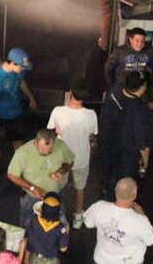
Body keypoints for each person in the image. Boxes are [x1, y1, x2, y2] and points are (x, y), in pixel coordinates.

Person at [46, 84, 98, 228]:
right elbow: (92, 135)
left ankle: (58, 215)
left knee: (57, 188)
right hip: (81, 158)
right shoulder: (91, 114)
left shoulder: (58, 111)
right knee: (80, 188)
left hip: (61, 159)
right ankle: (78, 217)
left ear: (70, 94)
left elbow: (51, 131)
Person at [99, 71, 153, 198]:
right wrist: (145, 158)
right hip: (127, 155)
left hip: (109, 148)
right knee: (122, 185)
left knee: (109, 178)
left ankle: (106, 194)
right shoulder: (138, 109)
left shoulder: (114, 93)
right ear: (142, 89)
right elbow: (140, 137)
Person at [0, 48, 38, 177]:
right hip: (0, 116)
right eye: (22, 67)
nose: (24, 70)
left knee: (18, 140)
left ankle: (19, 168)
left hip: (16, 112)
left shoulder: (19, 71)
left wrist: (31, 98)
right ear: (12, 63)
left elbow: (21, 82)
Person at [7, 129, 75, 227]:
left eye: (50, 151)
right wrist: (32, 188)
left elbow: (70, 161)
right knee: (27, 223)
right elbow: (11, 175)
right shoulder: (22, 153)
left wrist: (62, 171)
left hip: (55, 194)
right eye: (42, 150)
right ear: (36, 142)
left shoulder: (61, 145)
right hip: (31, 196)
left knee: (59, 224)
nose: (46, 153)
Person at [84, 177, 153, 264]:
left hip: (101, 260)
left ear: (115, 191)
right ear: (134, 194)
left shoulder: (99, 207)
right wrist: (142, 214)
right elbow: (151, 240)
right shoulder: (140, 221)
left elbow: (88, 223)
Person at [104, 27, 153, 92]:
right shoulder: (119, 51)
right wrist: (111, 85)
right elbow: (108, 69)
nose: (140, 44)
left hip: (141, 88)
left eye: (143, 41)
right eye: (137, 40)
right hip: (122, 88)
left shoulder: (150, 51)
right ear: (130, 39)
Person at [24, 192, 69, 264]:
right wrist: (66, 234)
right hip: (50, 261)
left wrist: (26, 259)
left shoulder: (33, 219)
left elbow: (28, 239)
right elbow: (63, 249)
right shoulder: (60, 229)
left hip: (34, 258)